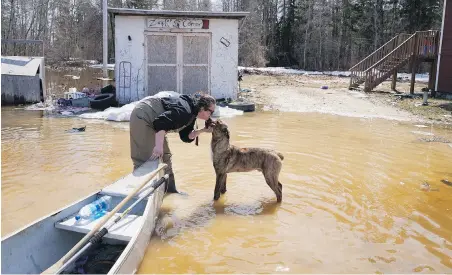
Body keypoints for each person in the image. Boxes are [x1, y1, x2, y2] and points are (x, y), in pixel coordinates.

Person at [129, 93, 216, 193]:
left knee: (165, 157)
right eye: (211, 112)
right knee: (146, 158)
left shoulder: (192, 113)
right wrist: (158, 146)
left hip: (156, 122)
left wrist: (203, 130)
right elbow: (160, 123)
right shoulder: (185, 111)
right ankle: (137, 195)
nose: (211, 116)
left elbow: (185, 136)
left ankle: (170, 192)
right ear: (202, 108)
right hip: (143, 115)